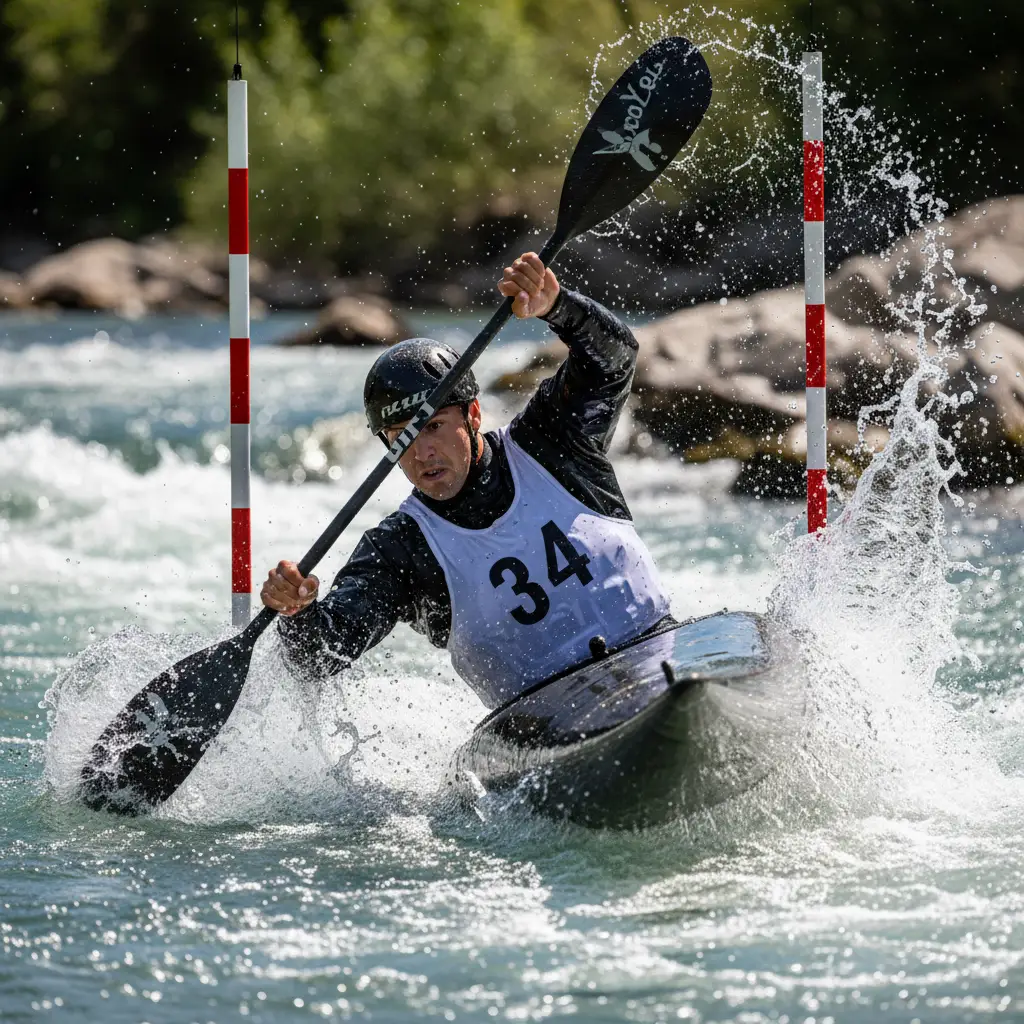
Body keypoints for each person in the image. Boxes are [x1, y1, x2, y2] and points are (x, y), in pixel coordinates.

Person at [261, 252, 673, 710]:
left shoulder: (552, 443)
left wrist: (557, 306)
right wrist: (298, 612)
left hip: (658, 654)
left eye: (433, 426)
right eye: (402, 438)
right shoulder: (402, 550)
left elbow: (615, 360)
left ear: (473, 414)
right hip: (541, 722)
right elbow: (320, 658)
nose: (422, 452)